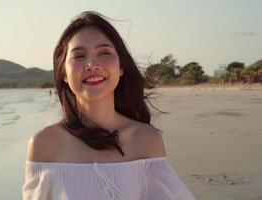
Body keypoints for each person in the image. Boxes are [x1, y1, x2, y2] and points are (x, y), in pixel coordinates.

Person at [22, 11, 196, 200]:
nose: (91, 64)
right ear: (63, 73)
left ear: (121, 67)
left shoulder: (146, 140)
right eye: (78, 56)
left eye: (104, 52)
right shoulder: (45, 144)